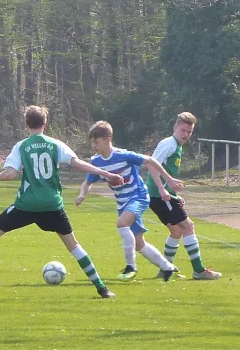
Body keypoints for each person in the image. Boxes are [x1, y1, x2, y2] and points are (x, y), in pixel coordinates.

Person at [0, 106, 124, 299]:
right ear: (45, 124)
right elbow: (77, 163)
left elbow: (11, 173)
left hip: (27, 205)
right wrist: (105, 173)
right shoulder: (56, 144)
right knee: (74, 246)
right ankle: (101, 288)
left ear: (26, 124)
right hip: (52, 206)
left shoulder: (21, 146)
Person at [75, 120, 184, 283]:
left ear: (107, 139)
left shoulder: (124, 155)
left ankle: (131, 267)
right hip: (122, 203)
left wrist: (168, 179)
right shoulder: (97, 162)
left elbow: (150, 161)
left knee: (121, 224)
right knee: (139, 244)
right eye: (92, 142)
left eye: (96, 141)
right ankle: (169, 268)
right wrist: (82, 194)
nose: (93, 145)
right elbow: (88, 182)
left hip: (138, 197)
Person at [146, 112, 222, 280]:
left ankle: (166, 270)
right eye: (183, 130)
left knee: (177, 230)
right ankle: (199, 270)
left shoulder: (176, 145)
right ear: (175, 127)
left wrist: (172, 193)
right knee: (188, 226)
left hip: (161, 195)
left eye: (189, 131)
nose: (186, 134)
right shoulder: (169, 144)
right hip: (158, 195)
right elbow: (150, 164)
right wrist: (162, 190)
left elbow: (161, 169)